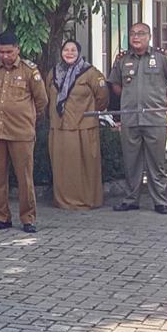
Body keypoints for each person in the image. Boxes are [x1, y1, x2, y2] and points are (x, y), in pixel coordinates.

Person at [107, 21, 167, 213]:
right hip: (130, 118)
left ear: (149, 36)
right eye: (133, 33)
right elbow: (115, 84)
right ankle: (131, 199)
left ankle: (159, 201)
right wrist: (128, 99)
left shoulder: (161, 57)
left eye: (141, 33)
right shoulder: (122, 59)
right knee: (131, 162)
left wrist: (161, 98)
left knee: (156, 163)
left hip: (154, 119)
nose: (136, 37)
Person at [0, 31, 49, 233]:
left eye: (9, 52)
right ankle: (1, 217)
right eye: (1, 52)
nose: (5, 56)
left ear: (17, 49)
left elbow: (42, 100)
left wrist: (27, 118)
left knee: (24, 178)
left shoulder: (29, 70)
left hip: (21, 132)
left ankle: (28, 218)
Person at [49, 41, 105, 210]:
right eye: (66, 49)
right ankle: (63, 200)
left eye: (73, 50)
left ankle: (87, 200)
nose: (69, 53)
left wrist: (86, 113)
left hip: (83, 127)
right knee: (62, 167)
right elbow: (46, 97)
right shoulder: (53, 73)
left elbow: (102, 98)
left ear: (79, 52)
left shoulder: (91, 73)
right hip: (59, 127)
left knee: (85, 166)